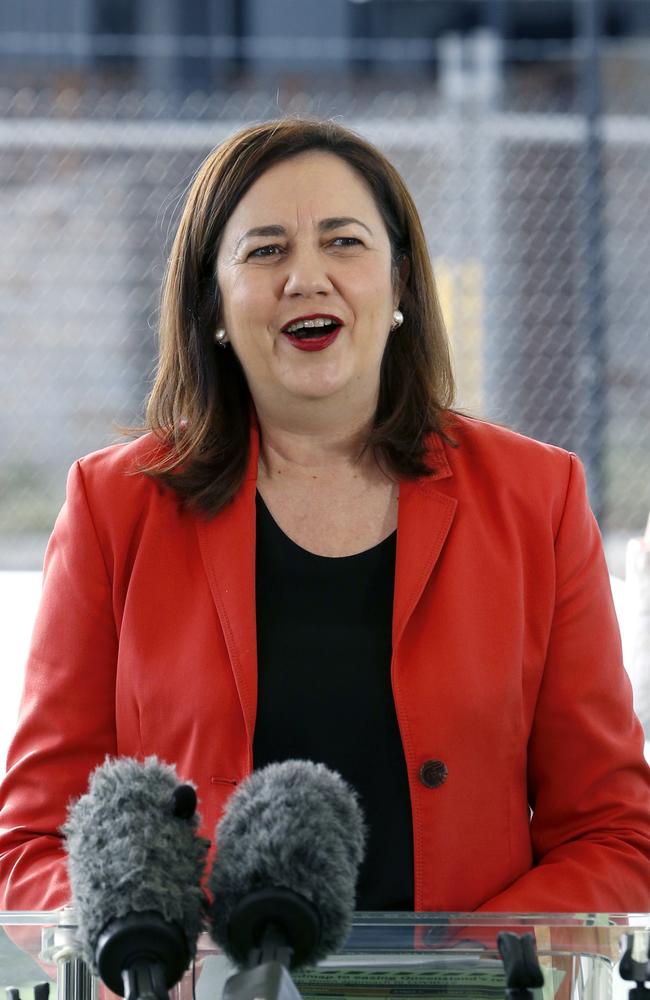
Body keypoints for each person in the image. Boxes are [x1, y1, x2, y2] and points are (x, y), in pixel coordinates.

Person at [1, 118, 649, 915]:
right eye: (265, 250)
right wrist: (151, 956)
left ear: (403, 282)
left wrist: (472, 971)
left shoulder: (537, 497)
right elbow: (35, 844)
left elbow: (612, 835)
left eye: (343, 242)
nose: (307, 278)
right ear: (212, 302)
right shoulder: (114, 508)